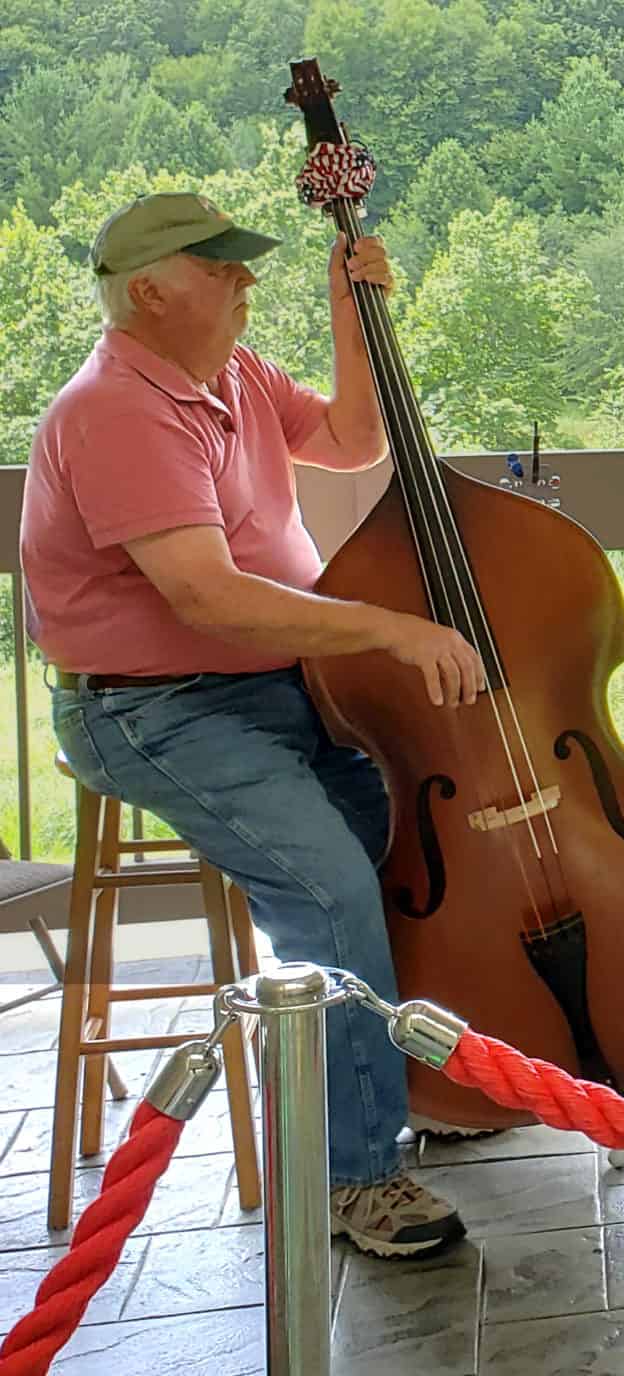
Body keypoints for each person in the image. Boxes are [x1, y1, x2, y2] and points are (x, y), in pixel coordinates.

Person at [23, 192, 489, 1258]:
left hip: (284, 683)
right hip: (156, 708)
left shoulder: (231, 373)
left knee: (409, 847)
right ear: (149, 290)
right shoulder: (113, 410)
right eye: (220, 266)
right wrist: (384, 627)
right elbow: (207, 596)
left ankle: (412, 1081)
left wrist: (349, 307)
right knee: (328, 884)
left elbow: (351, 436)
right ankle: (355, 1177)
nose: (243, 281)